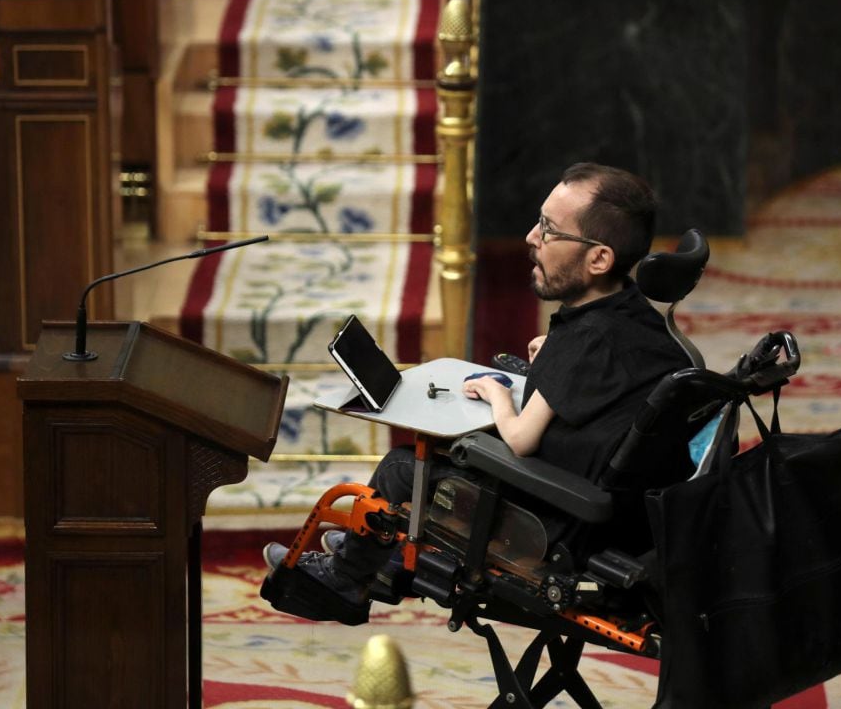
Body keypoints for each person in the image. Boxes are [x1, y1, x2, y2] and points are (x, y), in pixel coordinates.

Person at [263, 162, 691, 616]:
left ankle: (346, 582)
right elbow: (605, 378)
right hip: (628, 525)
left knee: (403, 469)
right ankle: (376, 556)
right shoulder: (637, 319)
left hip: (558, 530)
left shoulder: (582, 339)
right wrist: (555, 364)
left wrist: (499, 395)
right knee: (447, 457)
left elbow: (522, 439)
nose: (531, 237)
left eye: (549, 230)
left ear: (599, 258)